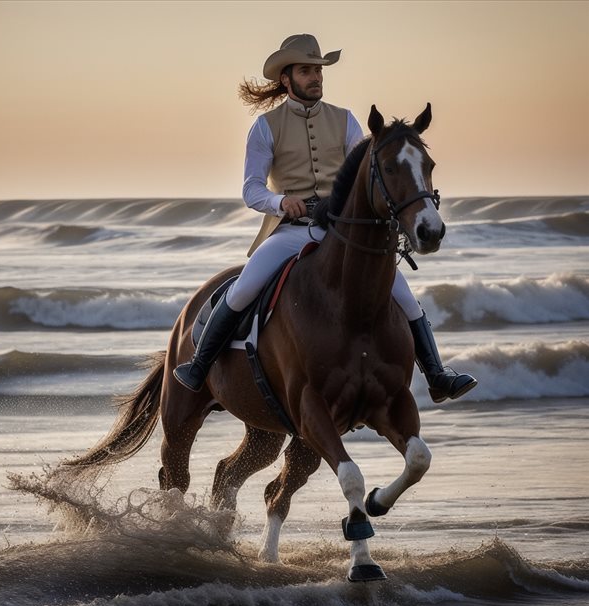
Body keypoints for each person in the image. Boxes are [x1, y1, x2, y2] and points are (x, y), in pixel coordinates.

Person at [174, 34, 476, 404]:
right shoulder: (266, 126)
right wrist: (281, 201)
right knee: (243, 288)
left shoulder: (346, 120)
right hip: (290, 232)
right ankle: (198, 366)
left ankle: (437, 375)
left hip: (339, 231)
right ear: (287, 79)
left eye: (318, 70)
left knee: (406, 299)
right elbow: (251, 189)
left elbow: (368, 176)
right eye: (306, 71)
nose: (316, 77)